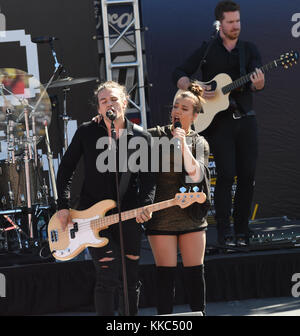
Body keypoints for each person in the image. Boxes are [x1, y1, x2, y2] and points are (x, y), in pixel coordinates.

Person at [55, 80, 156, 316]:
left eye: (113, 99)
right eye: (103, 101)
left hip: (128, 215)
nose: (109, 104)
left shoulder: (140, 136)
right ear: (98, 109)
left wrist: (146, 205)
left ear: (124, 101)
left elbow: (150, 178)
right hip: (93, 216)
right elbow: (66, 169)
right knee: (107, 276)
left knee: (130, 278)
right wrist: (63, 206)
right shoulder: (87, 132)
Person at [172, 1, 265, 247]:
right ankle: (224, 231)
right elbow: (178, 73)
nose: (236, 26)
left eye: (238, 21)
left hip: (246, 119)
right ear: (220, 24)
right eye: (231, 22)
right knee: (225, 176)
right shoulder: (207, 50)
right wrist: (195, 86)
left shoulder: (249, 50)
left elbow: (258, 83)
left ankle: (243, 229)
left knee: (247, 176)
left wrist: (258, 82)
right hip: (219, 124)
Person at [145, 82, 210, 315]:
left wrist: (183, 144)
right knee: (165, 277)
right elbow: (126, 137)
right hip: (161, 217)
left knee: (195, 275)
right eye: (175, 107)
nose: (177, 111)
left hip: (191, 217)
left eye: (184, 108)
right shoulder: (154, 135)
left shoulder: (199, 142)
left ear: (194, 115)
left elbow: (196, 174)